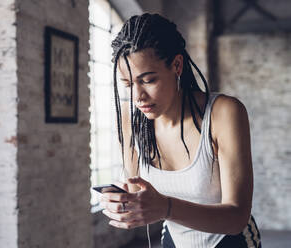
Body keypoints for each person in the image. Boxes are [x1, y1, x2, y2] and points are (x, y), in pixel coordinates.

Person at [99, 13, 261, 248]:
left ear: (176, 65)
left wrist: (165, 207)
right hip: (174, 241)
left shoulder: (224, 113)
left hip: (231, 241)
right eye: (127, 84)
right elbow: (137, 190)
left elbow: (237, 218)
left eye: (148, 80)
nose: (137, 96)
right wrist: (122, 201)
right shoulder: (128, 119)